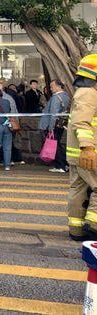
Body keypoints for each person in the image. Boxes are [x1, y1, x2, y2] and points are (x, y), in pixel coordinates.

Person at [67, 54, 97, 241]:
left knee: (79, 190)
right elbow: (82, 122)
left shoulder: (82, 92)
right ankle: (94, 226)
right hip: (88, 152)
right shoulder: (89, 93)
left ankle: (77, 230)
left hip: (78, 153)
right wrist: (87, 147)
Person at [40, 79, 71, 173]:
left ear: (58, 86)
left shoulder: (55, 98)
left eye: (52, 86)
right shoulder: (66, 96)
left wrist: (51, 127)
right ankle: (63, 164)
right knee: (57, 145)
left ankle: (61, 165)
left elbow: (53, 113)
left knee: (55, 146)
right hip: (60, 124)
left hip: (53, 124)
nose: (50, 88)